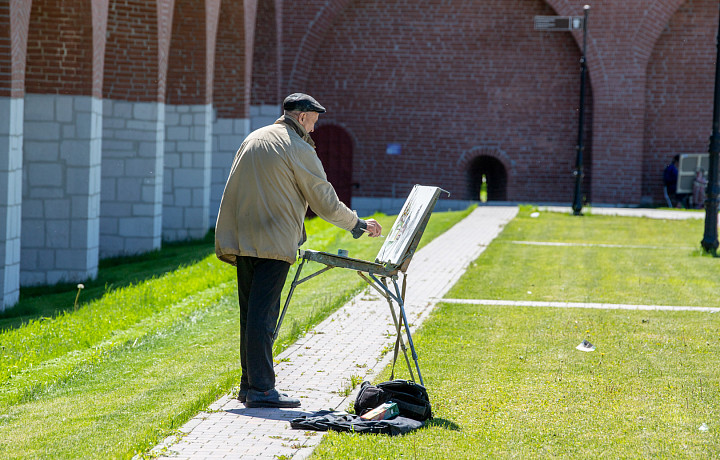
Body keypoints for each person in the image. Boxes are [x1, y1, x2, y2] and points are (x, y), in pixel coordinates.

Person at [215, 93, 382, 408]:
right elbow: (324, 200)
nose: (315, 130)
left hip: (243, 238)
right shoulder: (296, 146)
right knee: (263, 318)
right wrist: (356, 224)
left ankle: (249, 386)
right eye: (314, 122)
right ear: (303, 117)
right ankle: (262, 391)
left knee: (251, 315)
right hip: (273, 242)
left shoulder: (256, 137)